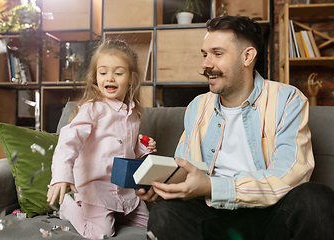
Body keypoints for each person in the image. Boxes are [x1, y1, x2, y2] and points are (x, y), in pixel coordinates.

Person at [136, 16, 334, 240]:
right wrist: (165, 187)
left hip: (272, 215)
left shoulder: (287, 99)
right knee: (165, 214)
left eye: (217, 54)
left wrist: (214, 186)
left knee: (315, 198)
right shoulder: (197, 107)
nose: (206, 64)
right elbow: (185, 169)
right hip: (213, 216)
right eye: (204, 54)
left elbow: (291, 176)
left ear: (247, 56)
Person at [47, 39, 157, 240]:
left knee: (152, 227)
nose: (110, 78)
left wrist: (143, 147)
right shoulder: (93, 109)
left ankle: (115, 213)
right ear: (95, 77)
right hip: (96, 188)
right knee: (101, 234)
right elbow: (69, 141)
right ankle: (68, 207)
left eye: (118, 72)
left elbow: (126, 145)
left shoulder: (133, 113)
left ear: (131, 78)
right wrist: (62, 175)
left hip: (125, 190)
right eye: (103, 72)